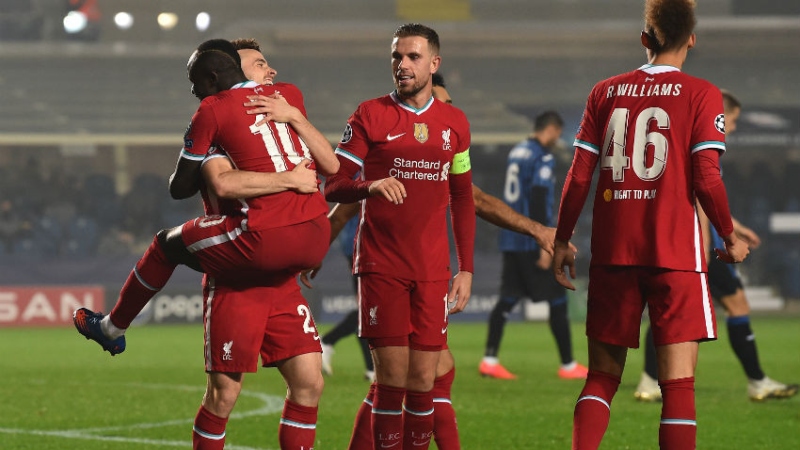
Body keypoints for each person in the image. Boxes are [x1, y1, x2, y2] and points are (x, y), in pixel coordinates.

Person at [74, 38, 338, 450]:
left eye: (270, 66)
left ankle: (113, 327)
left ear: (213, 77)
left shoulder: (246, 107)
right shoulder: (263, 108)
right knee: (232, 393)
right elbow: (222, 181)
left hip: (258, 246)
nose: (271, 73)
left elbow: (187, 185)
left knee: (166, 245)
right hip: (279, 247)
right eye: (260, 65)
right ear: (237, 69)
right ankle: (112, 326)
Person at [552, 1, 750, 448]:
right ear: (691, 41)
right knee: (677, 386)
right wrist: (730, 237)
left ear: (645, 38)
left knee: (601, 378)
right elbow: (706, 177)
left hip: (613, 254)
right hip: (675, 255)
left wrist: (562, 239)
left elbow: (579, 175)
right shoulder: (703, 94)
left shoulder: (604, 92)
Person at [323, 24, 475, 450]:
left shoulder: (455, 123)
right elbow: (333, 184)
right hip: (381, 266)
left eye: (412, 57)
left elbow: (461, 197)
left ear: (434, 63)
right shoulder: (370, 114)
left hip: (432, 270)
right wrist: (368, 186)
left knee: (424, 382)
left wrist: (466, 269)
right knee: (391, 383)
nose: (403, 65)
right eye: (396, 57)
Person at [634, 89, 799, 402]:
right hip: (691, 245)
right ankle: (651, 381)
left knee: (724, 305)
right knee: (672, 311)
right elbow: (697, 196)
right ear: (719, 115)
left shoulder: (691, 142)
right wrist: (711, 243)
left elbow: (706, 197)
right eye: (732, 120)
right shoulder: (701, 145)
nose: (734, 127)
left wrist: (735, 226)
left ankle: (755, 381)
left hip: (686, 242)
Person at [479, 111, 589, 381]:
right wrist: (544, 243)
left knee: (507, 298)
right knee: (557, 300)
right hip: (531, 239)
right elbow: (539, 197)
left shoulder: (518, 151)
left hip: (511, 236)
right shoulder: (542, 157)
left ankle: (490, 359)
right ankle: (568, 365)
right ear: (551, 129)